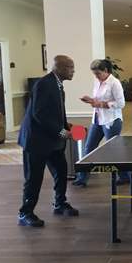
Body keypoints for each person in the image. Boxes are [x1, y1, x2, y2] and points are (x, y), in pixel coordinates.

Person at [18, 55, 79, 227]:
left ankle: (59, 203)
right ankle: (25, 213)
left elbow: (56, 113)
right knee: (34, 178)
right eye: (70, 67)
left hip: (52, 141)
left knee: (61, 170)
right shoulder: (44, 84)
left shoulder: (58, 86)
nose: (73, 70)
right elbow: (40, 114)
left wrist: (67, 126)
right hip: (36, 141)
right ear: (59, 68)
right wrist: (61, 132)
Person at [72, 59, 129, 187]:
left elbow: (121, 104)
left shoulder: (115, 83)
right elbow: (97, 100)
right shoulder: (98, 82)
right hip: (97, 120)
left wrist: (102, 104)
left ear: (106, 71)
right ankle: (82, 178)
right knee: (88, 148)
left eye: (98, 73)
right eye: (94, 74)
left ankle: (125, 176)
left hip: (112, 121)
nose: (96, 76)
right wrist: (90, 100)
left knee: (114, 151)